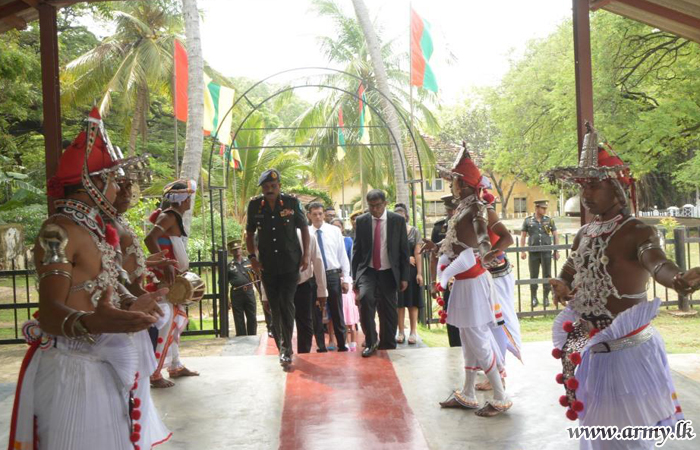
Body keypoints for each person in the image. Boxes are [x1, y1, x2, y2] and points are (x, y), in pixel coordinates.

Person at [9, 108, 166, 450]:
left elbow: (105, 286)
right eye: (114, 180)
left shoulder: (94, 230)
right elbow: (50, 313)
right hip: (72, 369)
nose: (120, 188)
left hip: (100, 365)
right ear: (93, 184)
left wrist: (132, 303)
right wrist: (93, 321)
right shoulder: (56, 231)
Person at [547, 126, 698, 448]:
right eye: (582, 186)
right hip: (589, 347)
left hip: (627, 350)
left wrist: (678, 279)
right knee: (598, 430)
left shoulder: (637, 231)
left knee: (629, 435)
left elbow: (657, 263)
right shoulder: (585, 232)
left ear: (616, 189)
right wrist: (561, 284)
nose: (586, 194)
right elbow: (571, 268)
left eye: (594, 185)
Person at [422, 145, 511, 416]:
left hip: (472, 283)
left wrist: (487, 252)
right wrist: (437, 248)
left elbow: (489, 237)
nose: (451, 185)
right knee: (468, 339)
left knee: (477, 339)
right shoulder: (464, 207)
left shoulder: (477, 209)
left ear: (463, 184)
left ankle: (500, 397)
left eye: (453, 181)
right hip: (463, 283)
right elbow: (458, 243)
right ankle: (469, 393)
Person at [111, 176, 173, 448]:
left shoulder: (118, 221)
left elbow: (123, 267)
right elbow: (112, 273)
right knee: (129, 392)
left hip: (137, 304)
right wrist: (132, 300)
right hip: (124, 313)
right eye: (119, 186)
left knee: (138, 393)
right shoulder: (102, 224)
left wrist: (149, 261)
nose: (127, 192)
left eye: (129, 187)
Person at [246, 169, 309, 368]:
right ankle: (283, 345)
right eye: (266, 187)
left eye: (273, 186)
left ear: (279, 186)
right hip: (267, 265)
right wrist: (252, 257)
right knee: (274, 307)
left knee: (286, 303)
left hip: (290, 263)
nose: (269, 189)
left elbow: (304, 228)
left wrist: (306, 254)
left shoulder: (291, 202)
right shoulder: (255, 205)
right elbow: (249, 234)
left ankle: (286, 349)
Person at [145, 179, 200, 387]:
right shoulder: (168, 216)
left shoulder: (171, 216)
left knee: (174, 325)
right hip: (164, 280)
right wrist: (164, 264)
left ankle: (175, 366)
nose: (189, 202)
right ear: (182, 199)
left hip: (172, 279)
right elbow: (150, 239)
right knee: (166, 326)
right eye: (188, 198)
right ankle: (154, 374)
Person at [352, 189, 410, 357]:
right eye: (371, 206)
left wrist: (404, 277)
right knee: (365, 299)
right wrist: (355, 278)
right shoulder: (362, 221)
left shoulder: (397, 220)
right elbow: (357, 251)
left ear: (385, 203)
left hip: (389, 272)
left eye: (378, 205)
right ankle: (371, 341)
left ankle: (388, 344)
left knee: (388, 311)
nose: (375, 209)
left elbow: (404, 250)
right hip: (368, 271)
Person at [477, 181, 523, 391]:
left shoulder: (487, 212)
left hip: (495, 276)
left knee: (496, 323)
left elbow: (507, 238)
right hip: (485, 275)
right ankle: (493, 370)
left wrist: (489, 256)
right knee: (485, 323)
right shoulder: (474, 211)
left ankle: (498, 374)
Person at [308, 202, 352, 352]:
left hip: (332, 275)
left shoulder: (334, 231)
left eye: (320, 213)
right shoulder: (306, 233)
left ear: (324, 214)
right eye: (314, 214)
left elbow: (342, 256)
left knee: (337, 310)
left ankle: (342, 344)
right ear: (309, 215)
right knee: (316, 313)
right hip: (314, 277)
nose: (318, 217)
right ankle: (321, 345)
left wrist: (345, 279)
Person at [428, 194, 461, 347]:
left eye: (455, 210)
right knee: (449, 313)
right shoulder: (439, 228)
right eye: (449, 211)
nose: (452, 214)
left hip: (466, 277)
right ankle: (454, 347)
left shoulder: (468, 225)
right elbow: (434, 257)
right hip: (448, 280)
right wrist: (433, 282)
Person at [393, 204, 424, 345]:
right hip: (397, 270)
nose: (400, 217)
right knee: (399, 303)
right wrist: (405, 259)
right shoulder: (391, 232)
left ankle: (413, 332)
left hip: (411, 271)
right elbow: (390, 252)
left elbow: (418, 252)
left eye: (402, 214)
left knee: (412, 302)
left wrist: (419, 273)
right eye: (396, 215)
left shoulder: (414, 231)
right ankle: (400, 331)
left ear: (406, 216)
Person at [294, 226, 328, 353]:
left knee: (305, 323)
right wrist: (265, 295)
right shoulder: (274, 236)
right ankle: (285, 351)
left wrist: (322, 291)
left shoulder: (309, 237)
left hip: (303, 284)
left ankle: (304, 354)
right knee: (282, 321)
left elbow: (318, 263)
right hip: (281, 286)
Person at [520, 199, 559, 308]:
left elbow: (555, 235)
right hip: (533, 253)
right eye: (543, 208)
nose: (545, 210)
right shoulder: (528, 220)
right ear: (536, 208)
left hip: (546, 252)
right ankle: (534, 297)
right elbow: (523, 236)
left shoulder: (549, 220)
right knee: (534, 275)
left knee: (547, 275)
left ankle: (546, 297)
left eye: (546, 208)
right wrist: (522, 251)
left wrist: (556, 250)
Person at [331, 217, 360, 351]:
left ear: (342, 228)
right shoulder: (328, 239)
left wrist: (348, 278)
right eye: (334, 226)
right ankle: (335, 340)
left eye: (339, 226)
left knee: (348, 310)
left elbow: (350, 259)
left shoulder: (348, 241)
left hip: (346, 278)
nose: (336, 229)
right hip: (333, 277)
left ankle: (352, 341)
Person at [227, 239, 258, 336]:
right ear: (231, 251)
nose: (237, 251)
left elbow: (256, 277)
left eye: (238, 249)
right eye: (234, 250)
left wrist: (261, 294)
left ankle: (252, 336)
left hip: (249, 292)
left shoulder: (249, 262)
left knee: (252, 317)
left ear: (241, 249)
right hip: (236, 293)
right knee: (238, 318)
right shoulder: (229, 266)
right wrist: (227, 299)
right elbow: (224, 283)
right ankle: (241, 338)